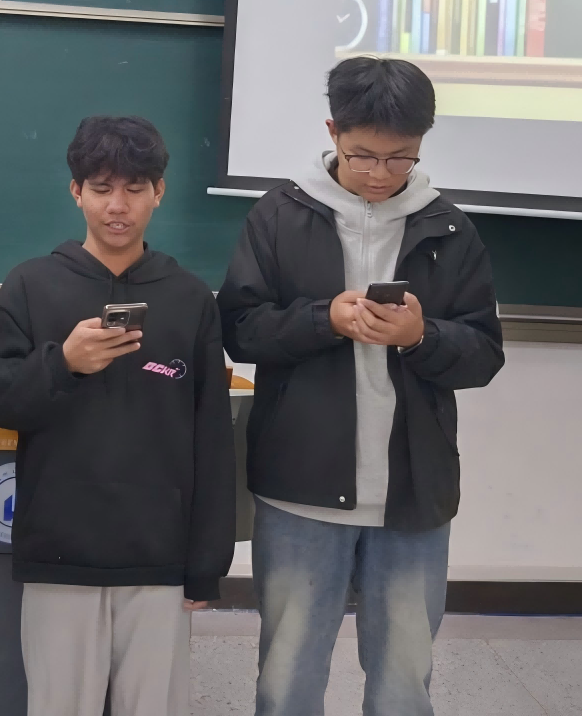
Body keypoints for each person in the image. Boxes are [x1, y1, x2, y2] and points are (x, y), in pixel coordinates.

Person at [218, 56, 504, 716]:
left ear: (421, 144)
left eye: (399, 158)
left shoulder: (449, 229)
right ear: (333, 133)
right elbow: (240, 330)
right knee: (287, 677)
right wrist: (325, 319)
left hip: (412, 494)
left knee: (404, 683)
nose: (380, 173)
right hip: (299, 489)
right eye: (363, 156)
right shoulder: (280, 216)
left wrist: (420, 336)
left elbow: (484, 354)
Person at [0, 115, 235, 716]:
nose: (118, 206)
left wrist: (205, 566)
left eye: (135, 189)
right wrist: (61, 362)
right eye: (101, 188)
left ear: (159, 192)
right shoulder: (31, 285)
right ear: (76, 191)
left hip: (159, 557)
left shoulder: (189, 299)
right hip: (59, 552)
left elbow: (212, 440)